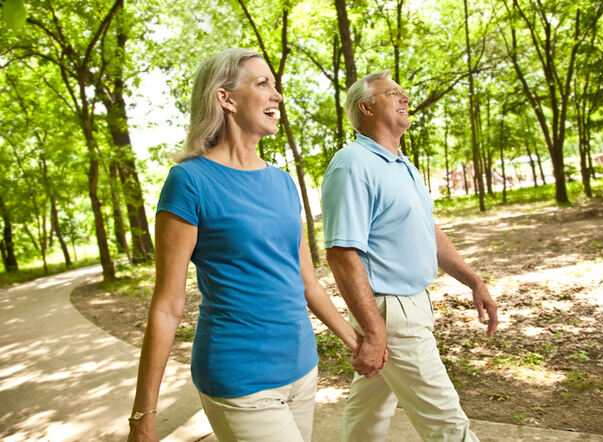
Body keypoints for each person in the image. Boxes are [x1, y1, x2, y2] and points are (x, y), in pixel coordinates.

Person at [127, 48, 360, 442]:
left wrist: (357, 341)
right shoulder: (189, 182)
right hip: (240, 378)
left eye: (274, 85)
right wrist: (143, 415)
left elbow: (308, 282)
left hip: (302, 369)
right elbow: (167, 305)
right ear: (226, 98)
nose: (277, 95)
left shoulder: (283, 182)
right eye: (262, 83)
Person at [321, 70, 499, 442]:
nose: (405, 99)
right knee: (446, 422)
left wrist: (473, 280)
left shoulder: (404, 166)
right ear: (366, 107)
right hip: (391, 312)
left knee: (367, 412)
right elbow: (341, 252)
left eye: (404, 93)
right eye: (393, 93)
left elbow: (428, 233)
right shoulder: (352, 163)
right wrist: (373, 329)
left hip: (415, 304)